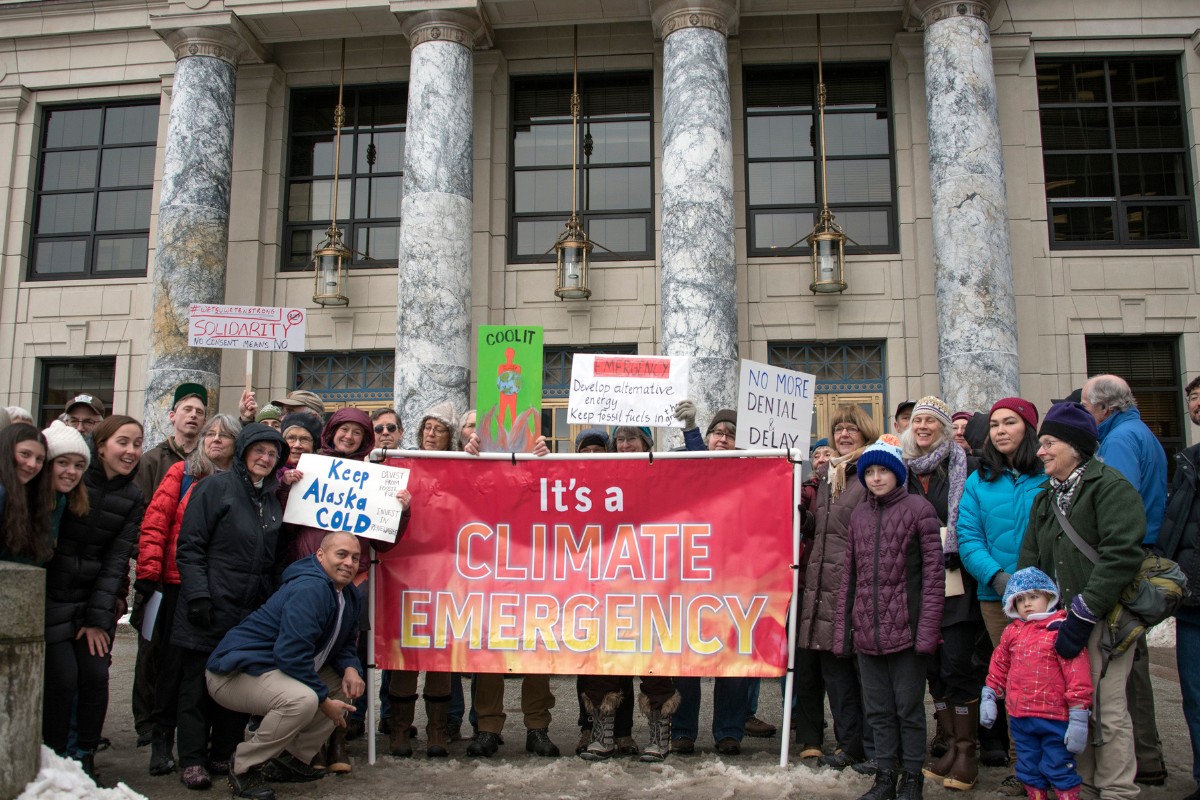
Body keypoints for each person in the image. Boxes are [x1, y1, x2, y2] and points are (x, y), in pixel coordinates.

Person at [1018, 402, 1145, 800]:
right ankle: (1084, 786)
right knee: (1074, 711)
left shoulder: (1110, 487)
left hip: (1103, 622)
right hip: (1056, 624)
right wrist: (1029, 610)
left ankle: (1117, 790)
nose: (1040, 451)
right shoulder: (1045, 497)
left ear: (1076, 446)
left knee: (1107, 713)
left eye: (1050, 442)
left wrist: (1084, 613)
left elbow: (1121, 555)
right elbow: (1030, 559)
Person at [281, 407, 408, 772]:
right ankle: (309, 741)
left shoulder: (375, 477)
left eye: (357, 432)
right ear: (331, 432)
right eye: (343, 430)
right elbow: (284, 529)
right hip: (307, 579)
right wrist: (285, 487)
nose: (349, 437)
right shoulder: (309, 468)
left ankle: (339, 738)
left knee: (345, 657)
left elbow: (383, 544)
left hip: (351, 584)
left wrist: (401, 511)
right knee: (304, 653)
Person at [172, 423, 289, 790]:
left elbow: (271, 557)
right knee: (195, 685)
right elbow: (190, 547)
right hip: (207, 603)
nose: (266, 459)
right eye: (260, 451)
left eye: (273, 454)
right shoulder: (215, 487)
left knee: (234, 681)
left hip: (246, 611)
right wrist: (198, 596)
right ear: (244, 452)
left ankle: (224, 751)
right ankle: (192, 758)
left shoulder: (270, 500)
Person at [206, 532, 365, 799]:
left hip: (276, 669)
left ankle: (289, 761)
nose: (349, 562)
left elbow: (345, 642)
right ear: (320, 555)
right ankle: (244, 765)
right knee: (303, 699)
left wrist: (351, 667)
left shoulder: (348, 594)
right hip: (234, 673)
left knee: (346, 686)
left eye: (355, 557)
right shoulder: (310, 589)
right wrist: (323, 701)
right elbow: (291, 654)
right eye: (342, 554)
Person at [834, 434, 944, 800]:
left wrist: (926, 632)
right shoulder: (861, 514)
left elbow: (933, 578)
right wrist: (844, 632)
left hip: (908, 632)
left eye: (884, 471)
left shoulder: (919, 510)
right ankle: (885, 774)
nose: (877, 478)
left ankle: (912, 776)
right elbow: (848, 576)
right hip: (868, 631)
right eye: (870, 472)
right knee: (878, 710)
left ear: (898, 473)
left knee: (908, 709)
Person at [137, 414, 242, 777]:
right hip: (177, 584)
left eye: (224, 435)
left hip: (220, 592)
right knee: (171, 669)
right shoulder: (183, 473)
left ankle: (206, 746)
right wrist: (148, 577)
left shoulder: (242, 483)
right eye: (210, 434)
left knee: (206, 672)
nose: (215, 440)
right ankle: (162, 740)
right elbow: (155, 524)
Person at [43, 415, 145, 778]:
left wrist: (97, 620)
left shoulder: (133, 496)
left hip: (90, 601)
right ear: (101, 445)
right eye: (123, 442)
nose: (131, 450)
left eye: (137, 443)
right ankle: (53, 759)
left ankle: (84, 757)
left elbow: (116, 561)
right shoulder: (75, 478)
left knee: (94, 674)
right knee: (62, 679)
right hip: (50, 597)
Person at [1081, 374, 1168, 786]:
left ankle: (1138, 761)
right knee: (1131, 665)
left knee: (1122, 667)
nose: (1084, 413)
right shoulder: (1139, 431)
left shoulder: (1118, 441)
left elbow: (1116, 506)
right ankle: (1147, 757)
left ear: (1104, 408)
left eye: (1086, 405)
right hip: (1139, 555)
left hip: (1125, 563)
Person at [956, 397, 1044, 793]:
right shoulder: (979, 480)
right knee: (1013, 682)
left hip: (1047, 598)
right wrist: (996, 577)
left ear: (1029, 427)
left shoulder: (1047, 474)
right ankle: (1024, 768)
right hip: (998, 598)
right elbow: (968, 536)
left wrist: (1040, 586)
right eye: (994, 425)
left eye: (1010, 423)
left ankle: (1059, 765)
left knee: (1051, 682)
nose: (1001, 431)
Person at [900, 396, 983, 791]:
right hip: (917, 579)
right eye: (917, 421)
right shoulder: (902, 468)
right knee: (932, 665)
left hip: (957, 574)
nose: (922, 427)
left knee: (957, 663)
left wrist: (955, 547)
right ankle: (949, 743)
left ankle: (967, 751)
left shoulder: (963, 464)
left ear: (944, 428)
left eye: (930, 421)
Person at [796, 404, 881, 770]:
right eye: (838, 429)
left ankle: (874, 746)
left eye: (851, 429)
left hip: (854, 587)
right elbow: (827, 530)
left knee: (864, 675)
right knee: (835, 673)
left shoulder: (873, 473)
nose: (844, 435)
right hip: (823, 587)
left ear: (865, 433)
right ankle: (850, 745)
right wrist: (803, 516)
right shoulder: (832, 476)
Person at [672, 408, 754, 755]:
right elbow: (700, 464)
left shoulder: (754, 469)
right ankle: (683, 731)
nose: (722, 438)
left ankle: (729, 732)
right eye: (716, 432)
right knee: (687, 660)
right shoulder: (689, 461)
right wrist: (690, 429)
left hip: (738, 579)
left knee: (733, 660)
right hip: (691, 578)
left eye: (730, 433)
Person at [132, 382, 209, 747]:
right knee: (152, 648)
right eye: (187, 409)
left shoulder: (209, 464)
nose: (193, 416)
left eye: (199, 411)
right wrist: (146, 566)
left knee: (183, 654)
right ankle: (146, 720)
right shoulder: (153, 460)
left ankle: (177, 719)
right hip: (158, 571)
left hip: (192, 578)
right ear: (173, 415)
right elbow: (144, 518)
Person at [386, 402, 460, 758]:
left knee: (439, 656)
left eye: (439, 428)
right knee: (405, 653)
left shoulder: (461, 468)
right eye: (427, 427)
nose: (431, 433)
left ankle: (437, 731)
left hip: (447, 574)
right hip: (406, 570)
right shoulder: (401, 464)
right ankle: (399, 730)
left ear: (451, 437)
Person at [980, 567, 1092, 800]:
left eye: (1033, 597)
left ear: (1049, 596)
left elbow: (1077, 674)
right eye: (1020, 599)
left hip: (1054, 717)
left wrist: (1079, 713)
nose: (1027, 604)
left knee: (1059, 765)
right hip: (1021, 717)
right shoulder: (1012, 633)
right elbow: (999, 665)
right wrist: (990, 693)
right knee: (1028, 767)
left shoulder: (1060, 630)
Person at [1156, 375, 1200, 800]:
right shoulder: (1188, 459)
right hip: (1194, 597)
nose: (1196, 402)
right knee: (1195, 696)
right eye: (1192, 395)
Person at [0, 423, 55, 564]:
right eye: (25, 454)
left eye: (39, 459)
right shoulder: (2, 493)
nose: (32, 464)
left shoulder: (33, 496)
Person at [41, 421, 90, 544]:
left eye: (79, 465)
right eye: (63, 462)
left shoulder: (62, 500)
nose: (72, 471)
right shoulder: (17, 498)